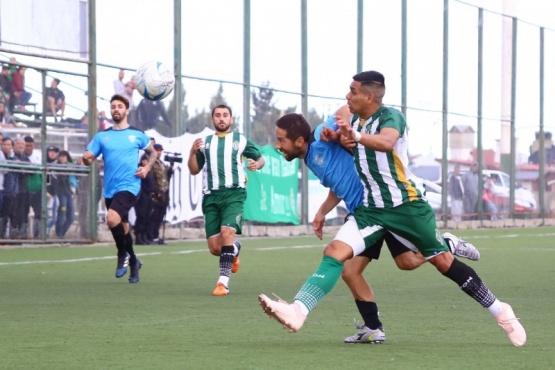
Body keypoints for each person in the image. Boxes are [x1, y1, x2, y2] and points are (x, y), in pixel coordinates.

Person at [258, 71, 526, 347]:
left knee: (438, 263)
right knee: (335, 254)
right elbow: (342, 123)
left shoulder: (390, 117)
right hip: (370, 210)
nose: (347, 96)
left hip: (405, 206)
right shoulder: (350, 125)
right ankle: (299, 310)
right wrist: (341, 135)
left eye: (352, 91)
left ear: (369, 96)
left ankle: (500, 310)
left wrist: (353, 135)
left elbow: (386, 142)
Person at [273, 110, 480, 343]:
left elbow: (346, 111)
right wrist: (321, 212)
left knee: (363, 264)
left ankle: (445, 245)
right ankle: (373, 328)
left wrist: (341, 132)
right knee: (391, 265)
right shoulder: (311, 158)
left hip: (379, 208)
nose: (277, 145)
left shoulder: (321, 133)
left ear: (299, 141)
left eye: (281, 140)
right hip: (363, 213)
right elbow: (338, 184)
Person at [188, 104, 265, 296]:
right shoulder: (204, 143)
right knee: (216, 248)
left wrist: (257, 164)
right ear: (212, 119)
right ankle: (235, 249)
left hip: (234, 194)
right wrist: (191, 153)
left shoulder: (240, 140)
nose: (221, 118)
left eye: (225, 115)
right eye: (217, 115)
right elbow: (194, 170)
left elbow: (261, 159)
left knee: (227, 231)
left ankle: (223, 283)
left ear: (231, 119)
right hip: (211, 196)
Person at [81, 94, 157, 283]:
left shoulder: (137, 135)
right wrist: (86, 158)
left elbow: (153, 152)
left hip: (130, 186)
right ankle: (134, 263)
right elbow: (86, 159)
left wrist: (147, 168)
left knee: (111, 218)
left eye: (120, 106)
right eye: (113, 106)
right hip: (110, 189)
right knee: (122, 227)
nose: (116, 109)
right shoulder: (102, 136)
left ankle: (122, 254)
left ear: (127, 110)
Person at [147, 143, 173, 244]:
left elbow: (165, 178)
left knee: (159, 217)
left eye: (160, 150)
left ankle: (155, 236)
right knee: (153, 217)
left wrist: (170, 169)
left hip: (163, 194)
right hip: (155, 195)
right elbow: (151, 178)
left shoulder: (161, 164)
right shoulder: (151, 163)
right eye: (157, 150)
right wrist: (155, 192)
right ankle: (150, 236)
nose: (159, 152)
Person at [52, 150, 76, 238]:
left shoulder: (71, 166)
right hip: (61, 192)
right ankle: (59, 234)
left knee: (71, 216)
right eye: (61, 156)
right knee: (62, 212)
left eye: (64, 156)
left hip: (68, 192)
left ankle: (61, 233)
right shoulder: (56, 166)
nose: (62, 158)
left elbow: (75, 177)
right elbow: (55, 176)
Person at [22, 136, 42, 238]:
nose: (29, 147)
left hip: (38, 189)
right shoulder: (20, 156)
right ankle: (23, 235)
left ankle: (37, 235)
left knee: (39, 213)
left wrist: (46, 187)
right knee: (23, 212)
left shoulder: (39, 155)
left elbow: (46, 173)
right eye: (27, 145)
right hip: (24, 190)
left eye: (31, 145)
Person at [134, 154, 156, 245]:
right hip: (142, 196)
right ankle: (138, 237)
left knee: (147, 217)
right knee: (141, 216)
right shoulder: (140, 170)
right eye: (145, 160)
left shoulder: (149, 170)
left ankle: (144, 236)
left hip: (148, 196)